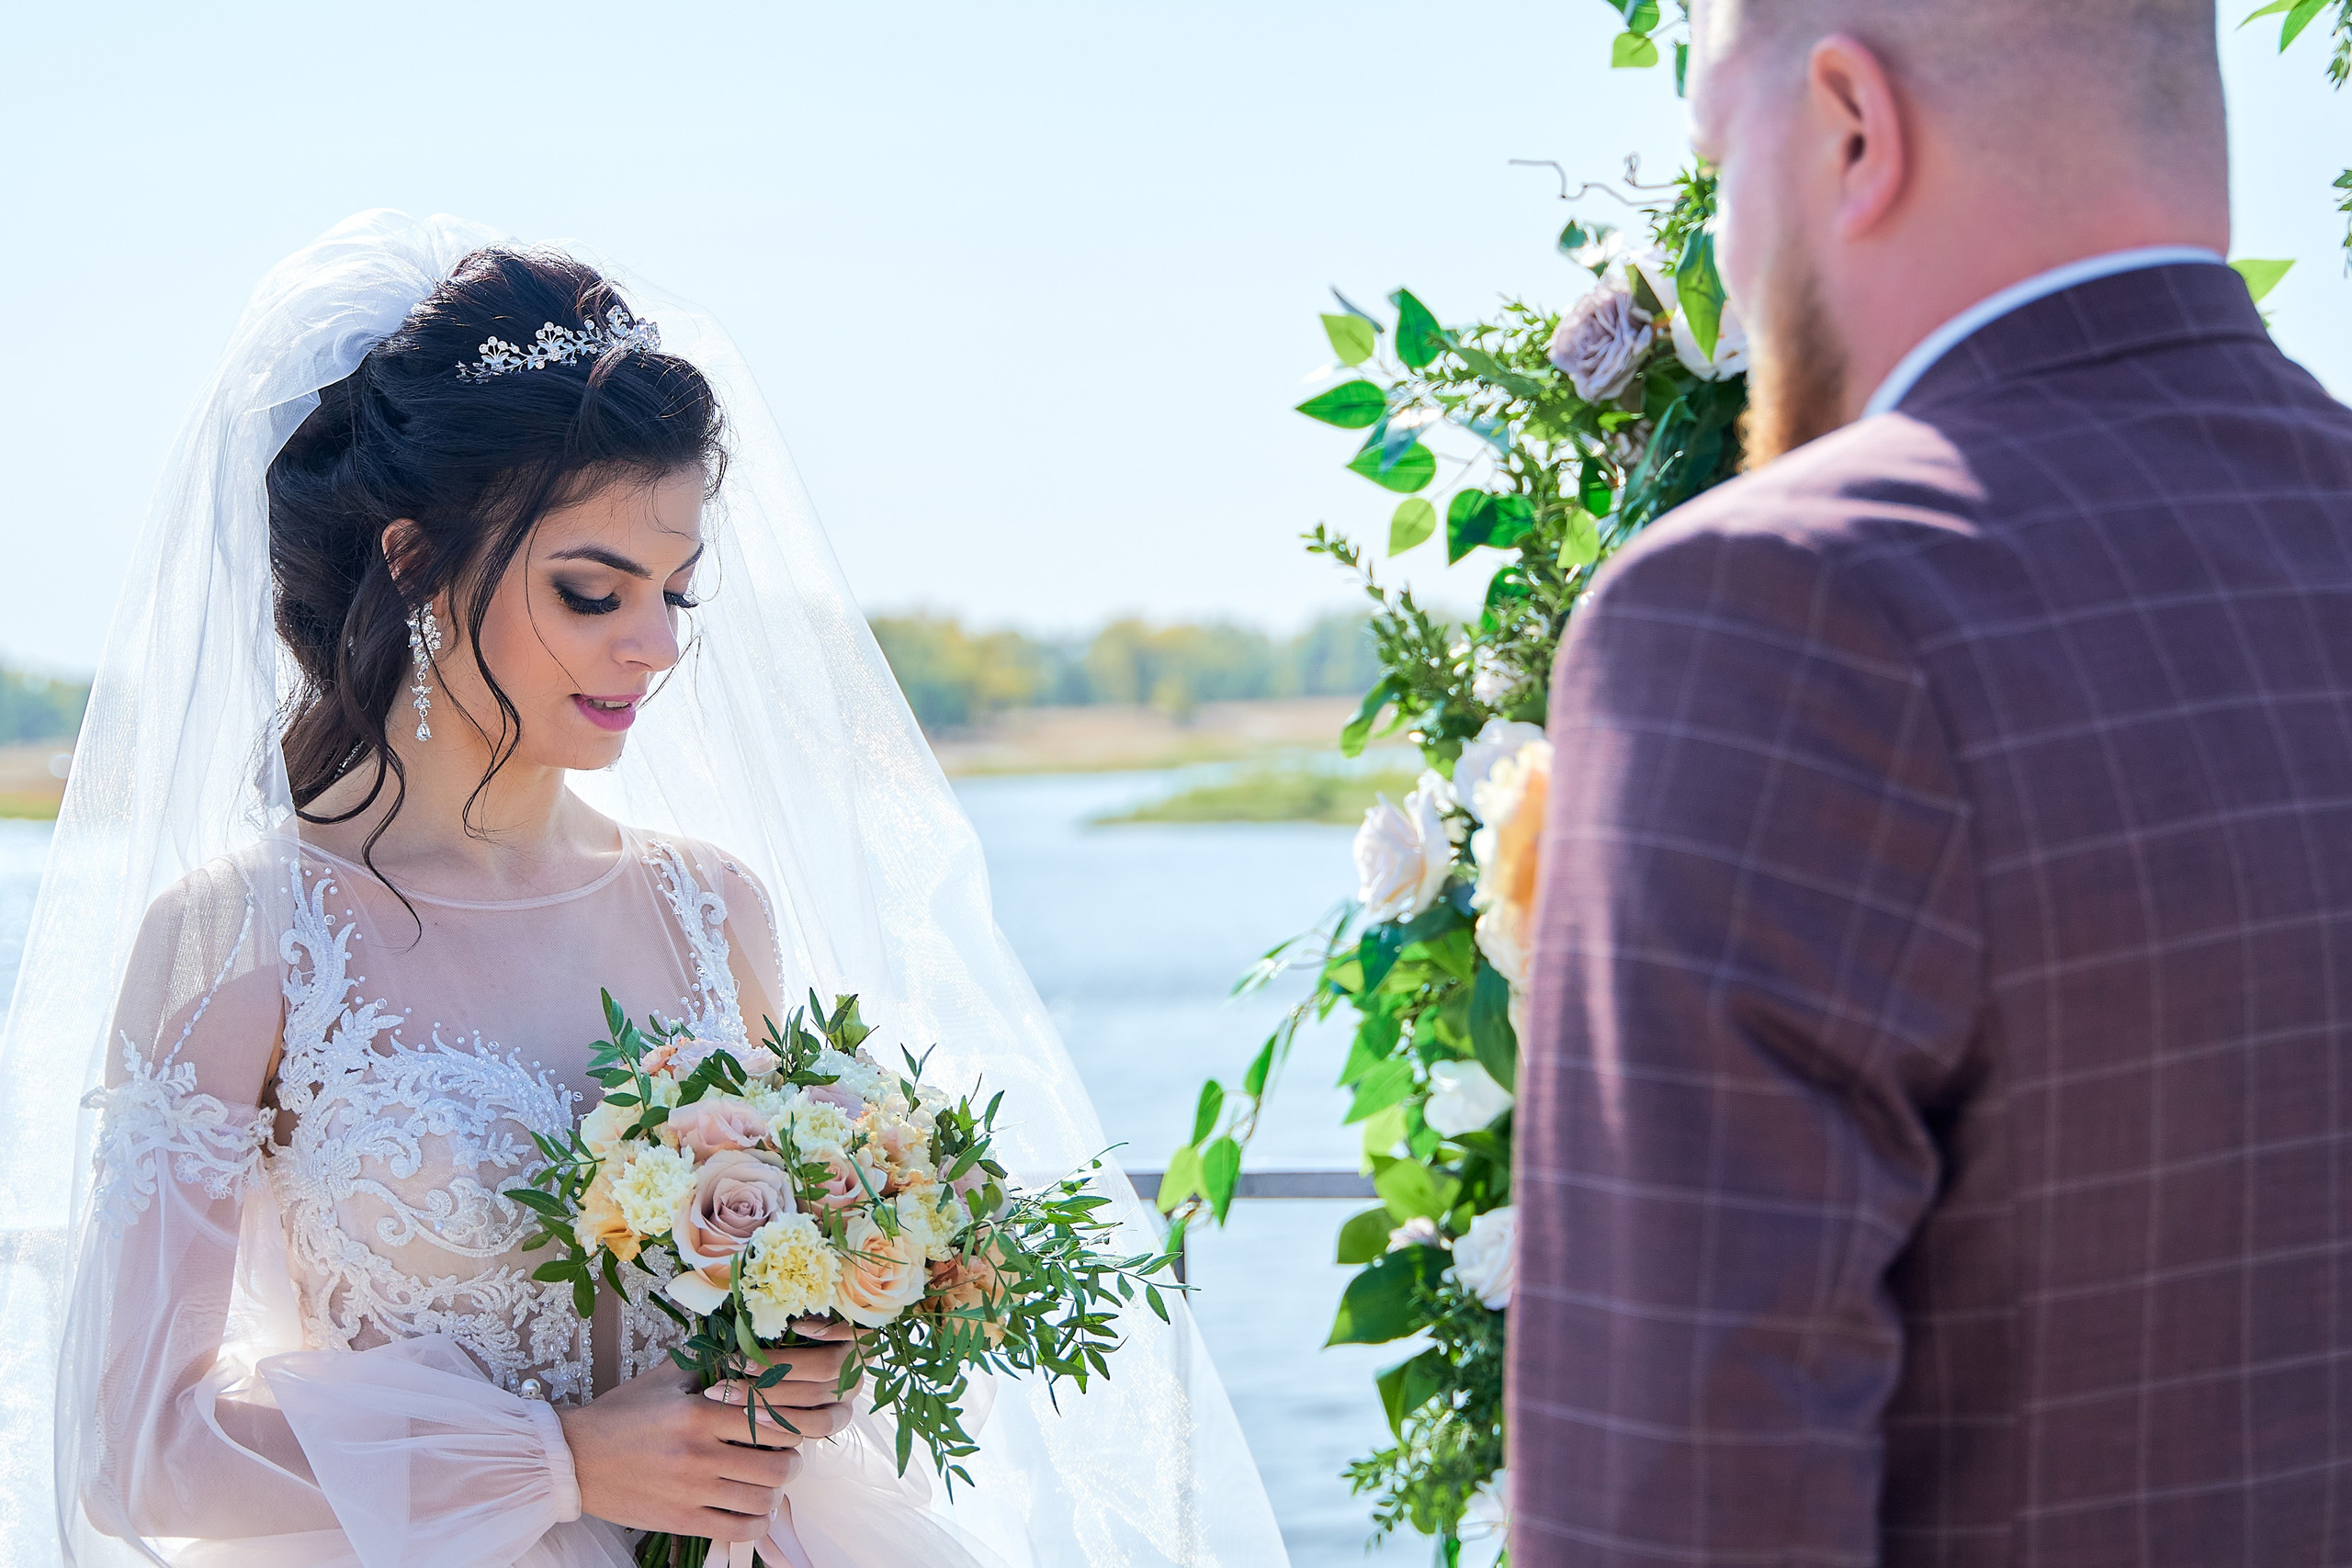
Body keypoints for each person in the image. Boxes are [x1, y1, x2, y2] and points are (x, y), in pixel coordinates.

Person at [3, 212, 1287, 1567]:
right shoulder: (241, 938)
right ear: (413, 565)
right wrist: (557, 1464)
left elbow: (787, 1344)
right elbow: (141, 1460)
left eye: (677, 592)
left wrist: (807, 1371)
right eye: (592, 591)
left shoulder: (709, 909)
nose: (657, 646)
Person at [1510, 1, 2352, 1563]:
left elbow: (1680, 1523)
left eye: (1720, 160)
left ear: (1851, 124)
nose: (1733, 261)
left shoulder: (1772, 617)